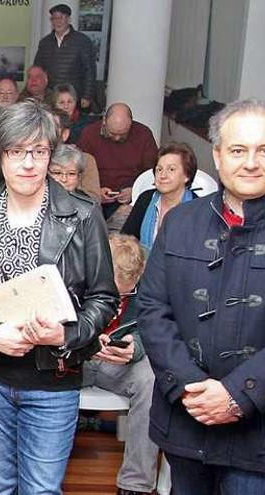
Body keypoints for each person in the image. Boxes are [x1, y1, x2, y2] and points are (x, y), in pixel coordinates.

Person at [0, 99, 118, 494]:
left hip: (53, 380)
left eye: (39, 151)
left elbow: (104, 298)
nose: (28, 163)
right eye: (16, 151)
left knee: (42, 489)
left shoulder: (81, 215)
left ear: (49, 154)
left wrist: (65, 335)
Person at [138, 98, 265, 493]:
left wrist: (237, 395)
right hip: (187, 423)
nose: (251, 163)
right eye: (238, 150)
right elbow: (152, 308)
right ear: (217, 155)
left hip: (257, 438)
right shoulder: (181, 221)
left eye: (263, 151)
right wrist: (193, 389)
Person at [83, 234, 159, 495]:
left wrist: (136, 347)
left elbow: (160, 326)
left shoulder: (152, 284)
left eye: (125, 293)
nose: (117, 299)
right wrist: (87, 338)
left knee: (151, 379)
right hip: (75, 360)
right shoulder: (76, 270)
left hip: (118, 364)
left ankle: (135, 485)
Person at [78, 103, 158, 220]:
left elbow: (152, 172)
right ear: (104, 121)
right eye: (112, 133)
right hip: (95, 197)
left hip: (131, 199)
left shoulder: (143, 134)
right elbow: (79, 169)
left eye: (122, 135)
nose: (116, 138)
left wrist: (135, 190)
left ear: (131, 124)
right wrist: (94, 190)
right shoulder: (89, 134)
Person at [122, 142, 199, 250]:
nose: (163, 175)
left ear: (187, 175)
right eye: (159, 169)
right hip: (143, 264)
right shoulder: (146, 199)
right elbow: (126, 241)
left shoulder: (199, 209)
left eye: (171, 169)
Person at [33, 3, 96, 111]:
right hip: (51, 97)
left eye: (61, 18)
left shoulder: (82, 41)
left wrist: (87, 95)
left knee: (73, 126)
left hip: (74, 97)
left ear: (68, 19)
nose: (58, 22)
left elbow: (90, 70)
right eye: (54, 18)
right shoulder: (45, 42)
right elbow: (37, 70)